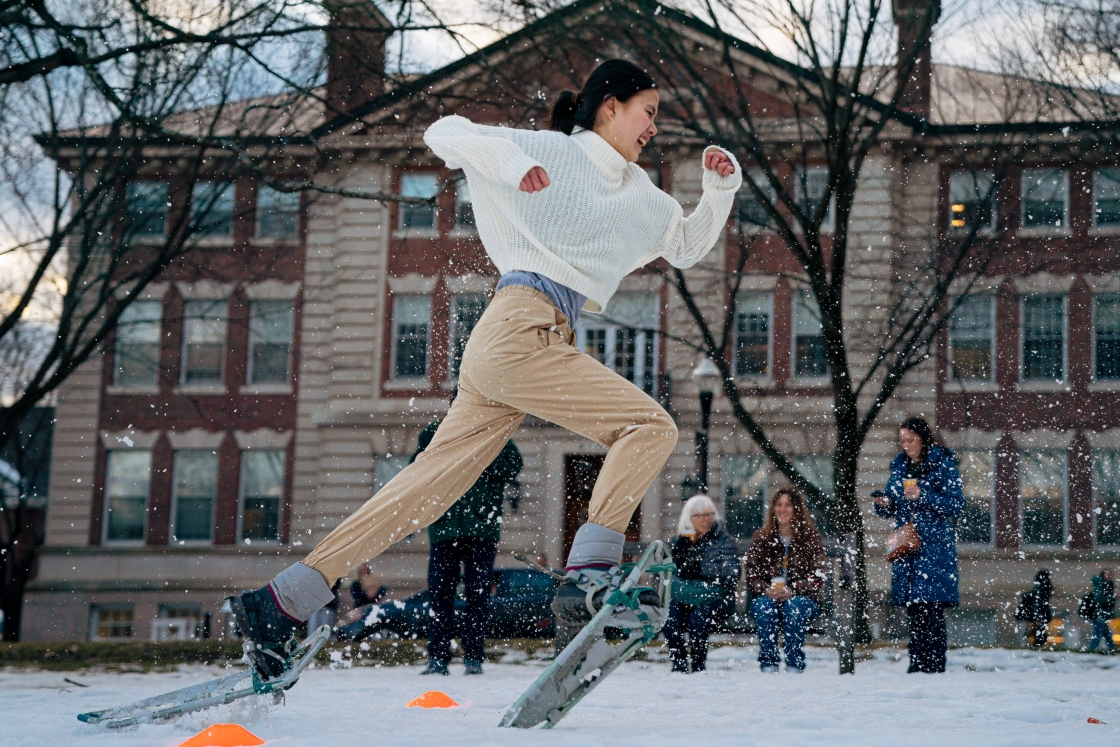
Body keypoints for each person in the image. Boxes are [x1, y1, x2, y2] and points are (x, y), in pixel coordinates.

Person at [224, 58, 742, 680]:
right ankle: (589, 579)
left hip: (519, 339)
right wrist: (511, 165)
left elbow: (685, 245)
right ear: (610, 105)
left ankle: (284, 600)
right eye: (648, 112)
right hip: (520, 327)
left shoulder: (640, 198)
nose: (654, 127)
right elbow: (446, 133)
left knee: (425, 488)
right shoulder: (548, 151)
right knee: (650, 427)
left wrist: (719, 192)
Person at [409, 419, 522, 676]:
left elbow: (514, 465)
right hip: (444, 528)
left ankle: (473, 657)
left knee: (478, 596)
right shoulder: (434, 432)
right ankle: (438, 657)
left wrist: (481, 455)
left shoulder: (496, 431)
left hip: (482, 530)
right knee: (439, 594)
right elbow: (416, 470)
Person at [874, 417, 964, 673]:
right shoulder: (899, 468)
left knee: (932, 610)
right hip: (908, 549)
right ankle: (916, 663)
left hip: (933, 550)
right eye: (902, 440)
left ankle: (934, 666)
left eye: (911, 439)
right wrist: (884, 504)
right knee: (914, 610)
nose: (906, 445)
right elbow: (893, 504)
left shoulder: (943, 464)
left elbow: (956, 504)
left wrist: (923, 495)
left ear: (923, 439)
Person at [745, 488, 828, 673]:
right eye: (779, 504)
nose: (783, 509)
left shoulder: (810, 538)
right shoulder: (762, 537)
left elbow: (819, 575)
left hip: (804, 598)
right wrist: (766, 588)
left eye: (788, 505)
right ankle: (769, 662)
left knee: (794, 606)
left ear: (796, 508)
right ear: (773, 508)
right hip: (769, 595)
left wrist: (793, 589)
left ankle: (794, 663)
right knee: (763, 606)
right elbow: (751, 572)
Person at [663, 494, 741, 673]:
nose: (704, 520)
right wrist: (680, 556)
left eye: (708, 514)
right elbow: (664, 575)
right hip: (684, 597)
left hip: (713, 598)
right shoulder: (678, 541)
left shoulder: (723, 540)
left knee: (699, 618)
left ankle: (698, 665)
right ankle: (679, 664)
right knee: (669, 618)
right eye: (697, 516)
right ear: (688, 518)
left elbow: (732, 574)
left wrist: (701, 569)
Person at [1015, 569, 1054, 648]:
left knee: (1035, 632)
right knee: (1038, 632)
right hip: (1038, 614)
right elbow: (1038, 603)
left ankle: (1031, 645)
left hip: (1037, 614)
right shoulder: (1042, 587)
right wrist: (1038, 617)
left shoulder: (1040, 587)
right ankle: (1034, 646)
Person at [1087, 569, 1115, 653]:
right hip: (1099, 614)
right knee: (1098, 634)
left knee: (1106, 633)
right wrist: (1112, 596)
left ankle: (1112, 647)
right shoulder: (1101, 585)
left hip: (1102, 614)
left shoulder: (1107, 585)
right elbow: (1098, 599)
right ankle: (1091, 650)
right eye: (1108, 574)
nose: (1110, 576)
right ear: (1103, 575)